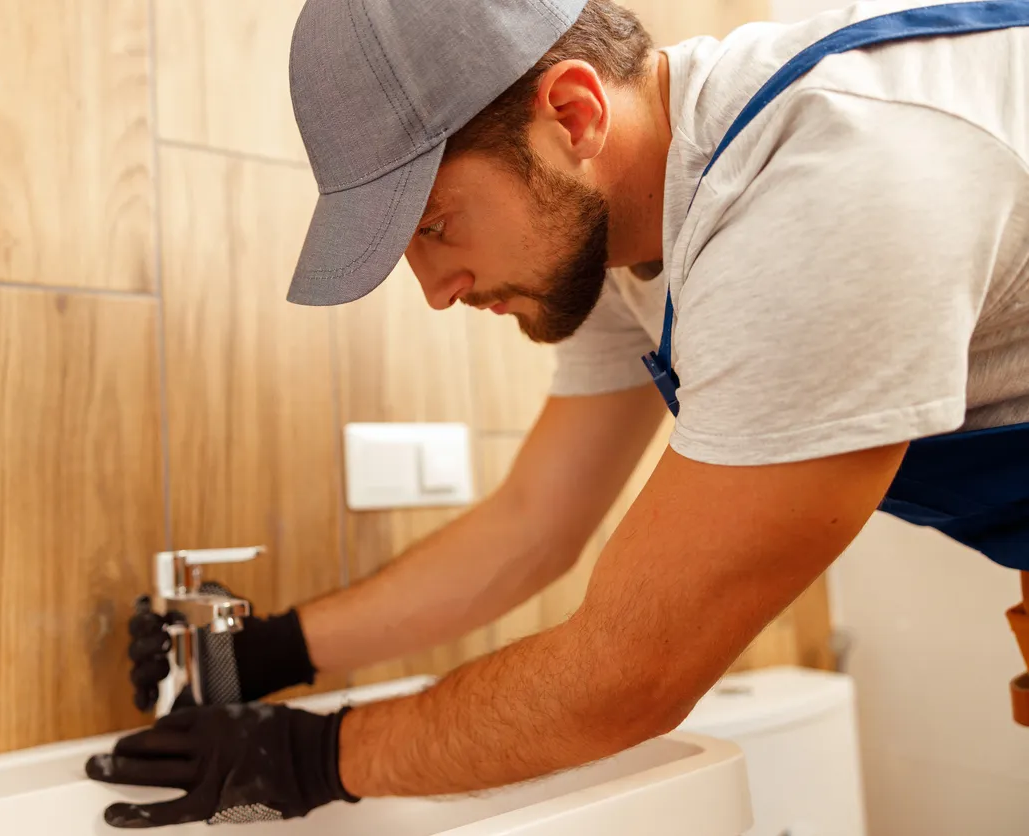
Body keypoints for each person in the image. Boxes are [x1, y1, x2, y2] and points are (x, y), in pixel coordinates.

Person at [86, 0, 1029, 826]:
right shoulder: (628, 235)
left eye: (435, 227)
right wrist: (267, 654)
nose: (436, 291)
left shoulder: (818, 193)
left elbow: (631, 676)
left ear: (572, 115)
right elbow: (532, 529)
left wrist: (306, 759)